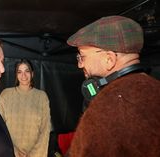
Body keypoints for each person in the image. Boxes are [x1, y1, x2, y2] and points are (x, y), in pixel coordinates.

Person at [66, 15, 160, 157]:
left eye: (82, 57)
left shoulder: (108, 105)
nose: (80, 64)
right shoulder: (154, 88)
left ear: (109, 59)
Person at [0, 59, 51, 157]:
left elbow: (45, 129)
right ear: (16, 75)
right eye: (19, 72)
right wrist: (15, 151)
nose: (23, 75)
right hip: (10, 152)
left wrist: (34, 154)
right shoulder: (6, 95)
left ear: (32, 74)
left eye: (27, 71)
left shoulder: (42, 97)